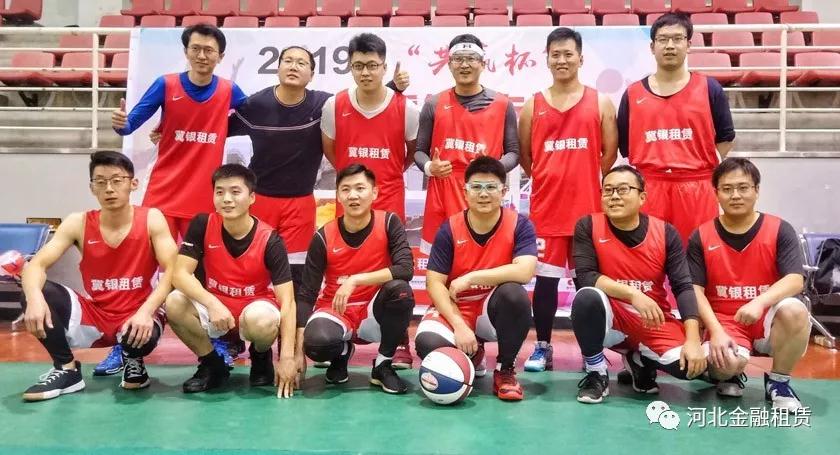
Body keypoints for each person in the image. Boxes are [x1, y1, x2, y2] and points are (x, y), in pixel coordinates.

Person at [20, 151, 177, 401]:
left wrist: (146, 312)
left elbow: (173, 270)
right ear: (92, 187)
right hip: (97, 315)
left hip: (138, 314)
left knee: (138, 335)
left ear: (133, 183)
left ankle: (133, 359)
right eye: (101, 182)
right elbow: (35, 265)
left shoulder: (151, 219)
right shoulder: (78, 222)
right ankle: (67, 369)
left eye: (117, 180)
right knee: (37, 292)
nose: (109, 189)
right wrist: (34, 299)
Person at [518, 27, 618, 372]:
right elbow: (527, 158)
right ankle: (543, 346)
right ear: (547, 59)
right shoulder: (533, 104)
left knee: (586, 284)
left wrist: (582, 176)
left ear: (580, 58)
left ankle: (592, 350)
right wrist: (552, 176)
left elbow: (608, 154)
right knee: (545, 283)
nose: (562, 60)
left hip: (587, 211)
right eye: (555, 54)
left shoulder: (600, 102)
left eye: (568, 54)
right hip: (547, 210)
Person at [571, 165, 706, 404]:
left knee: (690, 367)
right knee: (587, 296)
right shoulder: (587, 226)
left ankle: (640, 360)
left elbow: (683, 286)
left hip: (652, 320)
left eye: (623, 189)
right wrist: (633, 294)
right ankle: (596, 372)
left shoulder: (665, 232)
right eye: (608, 190)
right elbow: (586, 276)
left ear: (642, 197)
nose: (614, 196)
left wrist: (693, 339)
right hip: (613, 318)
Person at [164, 164, 299, 397]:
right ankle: (212, 364)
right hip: (216, 306)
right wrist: (212, 303)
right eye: (220, 192)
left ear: (252, 197)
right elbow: (180, 274)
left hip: (253, 308)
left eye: (235, 192)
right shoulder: (202, 224)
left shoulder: (270, 239)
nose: (226, 199)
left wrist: (287, 357)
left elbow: (288, 302)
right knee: (174, 302)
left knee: (263, 321)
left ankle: (260, 355)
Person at [688, 158, 809, 410]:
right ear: (716, 193)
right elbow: (695, 290)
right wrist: (716, 331)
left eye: (743, 187)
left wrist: (759, 302)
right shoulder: (701, 235)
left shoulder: (780, 229)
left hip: (767, 317)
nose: (735, 195)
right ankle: (730, 374)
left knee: (795, 310)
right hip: (725, 321)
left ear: (756, 190)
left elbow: (795, 279)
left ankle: (779, 382)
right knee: (725, 366)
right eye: (727, 189)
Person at [414, 157, 536, 401]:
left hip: (491, 309)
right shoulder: (449, 228)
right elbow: (434, 282)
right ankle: (472, 355)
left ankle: (505, 370)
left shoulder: (519, 225)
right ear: (465, 191)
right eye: (476, 187)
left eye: (491, 187)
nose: (483, 194)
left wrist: (472, 277)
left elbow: (524, 271)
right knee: (428, 344)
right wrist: (458, 325)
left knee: (515, 295)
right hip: (457, 307)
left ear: (504, 191)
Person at [112, 23, 247, 239]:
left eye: (208, 50)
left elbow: (255, 120)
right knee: (155, 256)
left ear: (220, 56)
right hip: (163, 190)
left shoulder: (229, 90)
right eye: (195, 48)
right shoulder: (165, 84)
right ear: (186, 51)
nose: (201, 56)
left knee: (198, 258)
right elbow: (128, 127)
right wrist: (120, 123)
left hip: (203, 193)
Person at [617, 13, 735, 242]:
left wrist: (694, 166)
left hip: (697, 188)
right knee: (647, 254)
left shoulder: (709, 88)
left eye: (677, 39)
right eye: (663, 39)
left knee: (695, 255)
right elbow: (626, 146)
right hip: (648, 188)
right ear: (652, 47)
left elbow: (726, 137)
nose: (670, 45)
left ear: (688, 44)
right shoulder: (632, 94)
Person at [299, 164, 415, 394]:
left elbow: (405, 269)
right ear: (338, 196)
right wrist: (296, 352)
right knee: (316, 344)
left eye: (360, 188)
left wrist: (355, 280)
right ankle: (341, 353)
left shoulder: (389, 222)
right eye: (346, 189)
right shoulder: (323, 236)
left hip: (374, 311)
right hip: (336, 309)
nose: (353, 195)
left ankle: (382, 365)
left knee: (400, 290)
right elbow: (306, 294)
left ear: (374, 192)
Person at [414, 33, 520, 255]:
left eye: (471, 58)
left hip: (482, 189)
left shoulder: (502, 104)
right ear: (449, 65)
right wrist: (429, 167)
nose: (464, 65)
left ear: (482, 64)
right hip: (443, 190)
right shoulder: (433, 104)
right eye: (458, 59)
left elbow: (513, 152)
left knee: (484, 257)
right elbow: (419, 151)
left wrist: (491, 169)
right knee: (441, 260)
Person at [322, 33, 420, 221]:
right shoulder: (334, 105)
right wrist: (349, 175)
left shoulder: (407, 108)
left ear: (384, 68)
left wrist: (392, 173)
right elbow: (330, 150)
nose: (365, 73)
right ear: (350, 67)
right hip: (349, 202)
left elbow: (413, 152)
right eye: (358, 66)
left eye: (372, 65)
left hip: (389, 200)